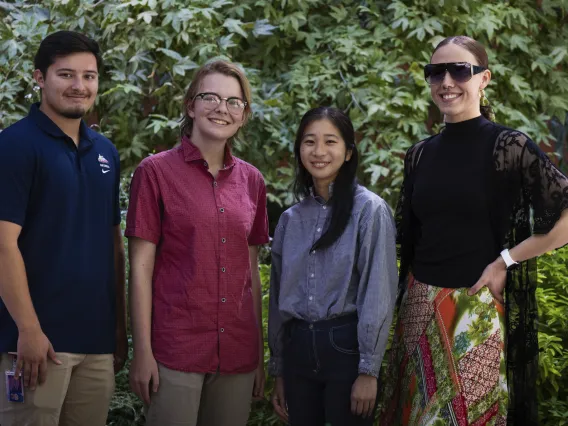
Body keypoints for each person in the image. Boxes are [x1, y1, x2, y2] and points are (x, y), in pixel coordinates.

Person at [380, 35, 568, 426]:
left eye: (459, 70)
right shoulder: (420, 153)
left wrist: (506, 260)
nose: (446, 81)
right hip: (416, 308)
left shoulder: (509, 146)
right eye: (436, 72)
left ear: (484, 78)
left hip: (473, 308)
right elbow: (409, 237)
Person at [126, 60, 269, 426]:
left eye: (233, 101)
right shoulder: (155, 172)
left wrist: (257, 354)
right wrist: (142, 352)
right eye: (210, 97)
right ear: (191, 105)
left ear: (243, 114)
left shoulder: (253, 181)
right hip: (176, 349)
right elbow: (140, 270)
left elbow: (250, 272)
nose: (222, 108)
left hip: (237, 353)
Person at [0, 30, 127, 426]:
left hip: (96, 343)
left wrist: (119, 330)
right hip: (36, 345)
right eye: (66, 75)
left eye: (89, 76)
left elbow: (113, 246)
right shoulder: (14, 146)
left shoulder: (105, 152)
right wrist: (29, 329)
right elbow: (3, 245)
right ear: (40, 77)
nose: (79, 86)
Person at [268, 107, 398, 426]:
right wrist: (279, 369)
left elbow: (378, 292)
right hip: (297, 350)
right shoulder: (290, 220)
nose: (319, 151)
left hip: (345, 348)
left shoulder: (370, 210)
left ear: (348, 151)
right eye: (309, 142)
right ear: (299, 150)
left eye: (330, 141)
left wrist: (369, 371)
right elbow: (277, 300)